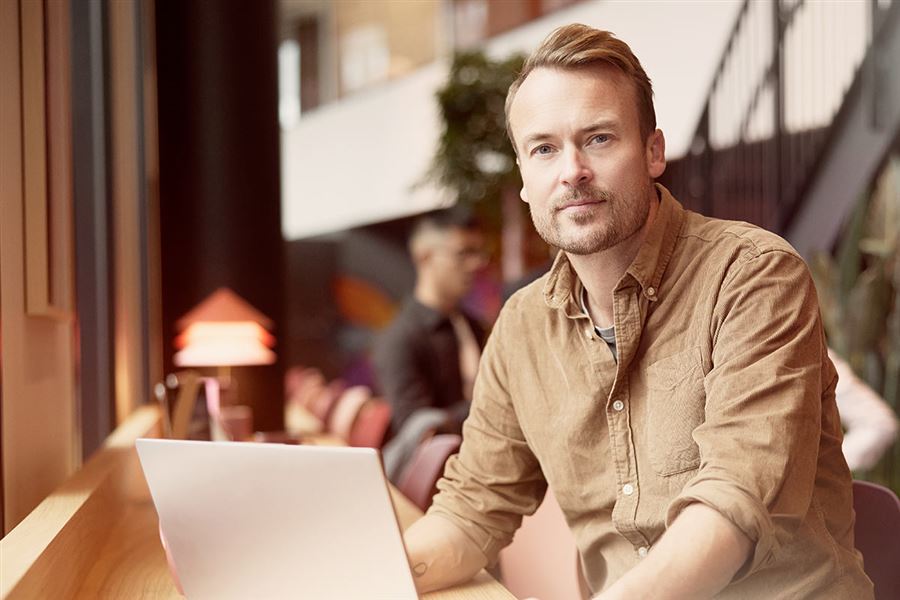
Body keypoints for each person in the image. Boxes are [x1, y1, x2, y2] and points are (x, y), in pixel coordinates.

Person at [403, 24, 873, 599]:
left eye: (598, 138)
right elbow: (472, 510)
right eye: (544, 148)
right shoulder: (522, 326)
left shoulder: (753, 275)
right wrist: (366, 578)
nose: (571, 170)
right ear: (524, 177)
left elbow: (729, 507)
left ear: (653, 152)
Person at [372, 207, 487, 479]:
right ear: (424, 256)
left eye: (478, 252)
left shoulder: (474, 325)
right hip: (442, 483)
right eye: (462, 253)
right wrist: (497, 402)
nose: (475, 264)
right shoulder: (400, 338)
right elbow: (422, 431)